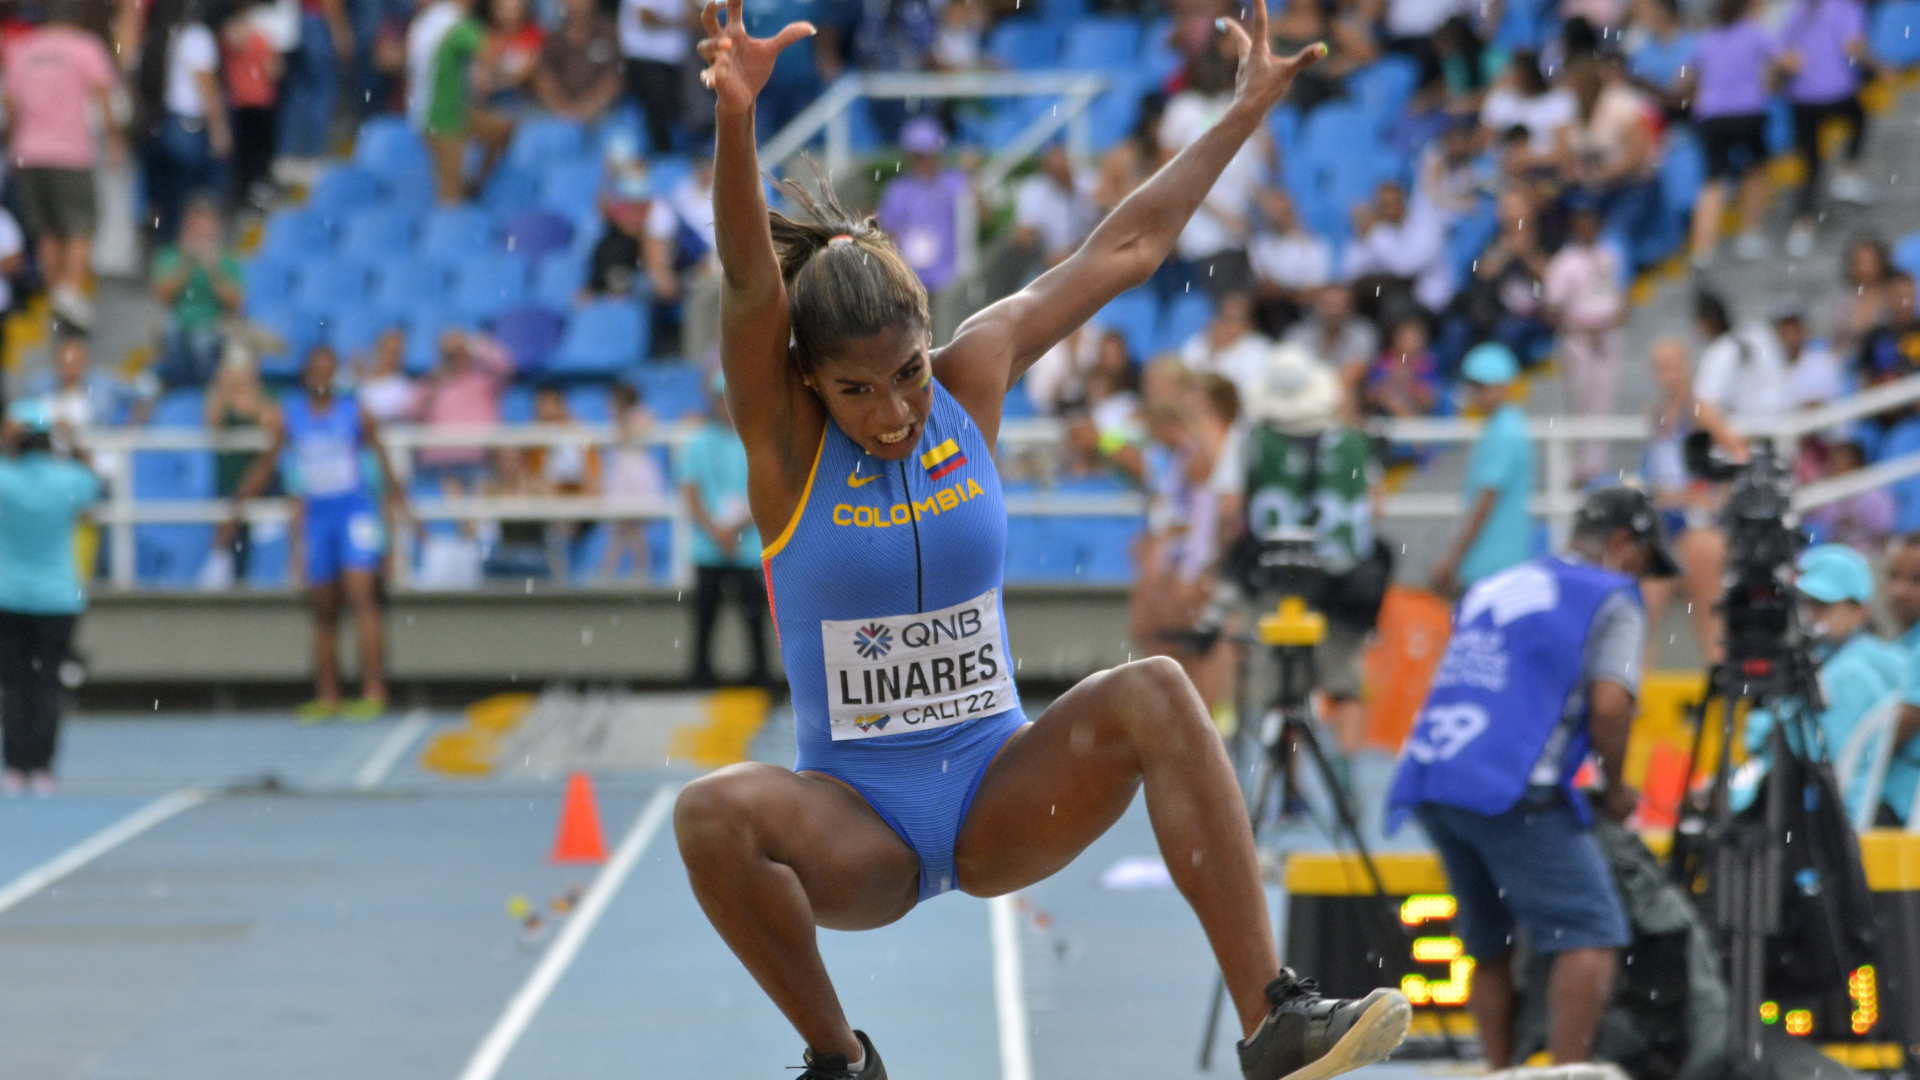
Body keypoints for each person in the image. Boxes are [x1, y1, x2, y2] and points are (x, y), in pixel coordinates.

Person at [685, 3, 1409, 1076]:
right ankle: (840, 1062)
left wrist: (1242, 111)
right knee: (709, 817)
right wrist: (737, 122)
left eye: (909, 374)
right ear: (807, 382)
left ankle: (1275, 1022)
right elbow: (751, 285)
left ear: (934, 341)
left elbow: (1127, 243)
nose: (894, 413)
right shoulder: (785, 443)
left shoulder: (972, 382)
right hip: (858, 825)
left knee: (1160, 689)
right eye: (857, 391)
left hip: (998, 793)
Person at [1388, 484, 1677, 1069]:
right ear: (1624, 545)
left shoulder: (1497, 583)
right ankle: (1566, 1070)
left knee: (1488, 936)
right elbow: (1611, 706)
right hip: (1510, 782)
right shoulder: (1611, 595)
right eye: (1643, 564)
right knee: (1590, 928)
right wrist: (1616, 787)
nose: (1643, 579)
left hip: (1434, 772)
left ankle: (1499, 1068)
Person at [231, 345, 405, 720]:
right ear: (307, 377)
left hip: (353, 514)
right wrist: (238, 507)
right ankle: (328, 694)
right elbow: (268, 463)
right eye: (316, 371)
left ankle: (374, 689)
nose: (322, 379)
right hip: (317, 519)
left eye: (329, 371)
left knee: (363, 599)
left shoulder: (356, 415)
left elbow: (383, 464)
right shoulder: (292, 417)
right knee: (323, 609)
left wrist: (397, 514)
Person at [1737, 545, 1905, 821]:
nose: (1812, 615)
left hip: (1838, 819)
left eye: (1824, 604)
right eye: (1805, 603)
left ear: (1859, 610)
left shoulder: (1851, 672)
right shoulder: (1831, 658)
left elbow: (1816, 762)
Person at [0, 401, 100, 797]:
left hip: (8, 597)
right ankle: (41, 767)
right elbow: (95, 483)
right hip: (58, 599)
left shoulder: (4, 479)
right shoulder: (69, 480)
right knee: (47, 685)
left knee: (13, 685)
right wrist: (73, 439)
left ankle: (13, 766)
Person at [3, 0, 122, 330]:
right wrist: (115, 140)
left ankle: (57, 293)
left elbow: (10, 105)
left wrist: (14, 145)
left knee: (46, 229)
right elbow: (104, 96)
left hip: (28, 152)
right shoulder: (85, 47)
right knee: (80, 225)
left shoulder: (22, 49)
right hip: (69, 152)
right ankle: (70, 294)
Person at [1638, 338, 1739, 665]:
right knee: (1640, 618)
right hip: (1664, 521)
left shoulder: (1698, 410)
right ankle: (1640, 705)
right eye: (1662, 368)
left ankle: (1723, 699)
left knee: (1709, 622)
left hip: (1695, 524)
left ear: (1687, 367)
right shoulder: (1657, 413)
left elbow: (1739, 454)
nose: (1670, 374)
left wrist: (1713, 496)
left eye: (1674, 366)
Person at [678, 371, 770, 688]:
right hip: (712, 544)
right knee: (705, 617)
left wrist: (732, 528)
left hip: (746, 545)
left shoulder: (756, 439)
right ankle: (700, 675)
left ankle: (761, 676)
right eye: (721, 400)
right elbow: (690, 492)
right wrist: (718, 530)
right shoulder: (698, 441)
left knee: (755, 617)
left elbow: (767, 491)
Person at [1431, 343, 1535, 595]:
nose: (1477, 393)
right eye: (1475, 385)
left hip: (1490, 566)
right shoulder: (1506, 426)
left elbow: (1485, 501)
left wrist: (1452, 560)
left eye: (1484, 386)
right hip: (1501, 562)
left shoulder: (1504, 432)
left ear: (1505, 386)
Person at [1686, 0, 1781, 264]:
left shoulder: (1706, 38)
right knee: (1755, 169)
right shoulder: (1754, 32)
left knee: (1714, 179)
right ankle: (1750, 233)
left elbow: (1688, 76)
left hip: (1712, 114)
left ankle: (1703, 247)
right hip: (1747, 111)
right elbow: (1782, 61)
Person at [1779, 0, 1874, 257]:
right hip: (1835, 90)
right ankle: (1847, 173)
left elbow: (1785, 54)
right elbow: (1852, 46)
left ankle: (1803, 226)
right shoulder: (1845, 7)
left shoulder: (1797, 10)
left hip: (1803, 97)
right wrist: (1877, 66)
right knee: (1860, 115)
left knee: (1811, 162)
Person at [132, 0, 231, 243]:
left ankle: (166, 247)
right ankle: (188, 247)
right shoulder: (196, 36)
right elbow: (205, 86)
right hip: (188, 125)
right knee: (194, 197)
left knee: (168, 197)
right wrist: (220, 129)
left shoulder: (157, 36)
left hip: (161, 125)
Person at [1544, 201, 1626, 482]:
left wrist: (1609, 324)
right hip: (1578, 339)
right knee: (1580, 404)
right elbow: (1552, 308)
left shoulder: (1609, 255)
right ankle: (1578, 469)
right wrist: (1582, 329)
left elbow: (1620, 296)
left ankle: (1597, 469)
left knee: (1602, 405)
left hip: (1607, 336)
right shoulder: (1564, 262)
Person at [150, 197, 243, 388]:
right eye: (195, 225)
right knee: (170, 334)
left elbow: (235, 302)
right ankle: (181, 389)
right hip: (179, 319)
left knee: (200, 342)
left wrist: (212, 268)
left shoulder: (226, 259)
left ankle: (205, 389)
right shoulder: (170, 255)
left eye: (204, 225)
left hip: (214, 321)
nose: (200, 231)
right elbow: (163, 297)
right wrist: (186, 263)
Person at [202, 351, 277, 586]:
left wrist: (250, 397)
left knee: (251, 532)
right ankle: (234, 583)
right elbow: (212, 423)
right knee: (234, 541)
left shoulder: (265, 399)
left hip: (258, 482)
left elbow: (273, 424)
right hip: (229, 480)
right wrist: (224, 386)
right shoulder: (221, 402)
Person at [873, 117, 970, 295]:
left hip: (949, 276)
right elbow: (887, 231)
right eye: (918, 156)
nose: (924, 161)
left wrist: (971, 173)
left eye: (928, 154)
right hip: (909, 278)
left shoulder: (955, 182)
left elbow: (980, 214)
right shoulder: (897, 189)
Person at [1341, 179, 1454, 316]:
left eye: (1393, 204)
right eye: (1382, 205)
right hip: (1381, 304)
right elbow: (1349, 274)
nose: (1388, 210)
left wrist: (1374, 233)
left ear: (1404, 204)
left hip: (1427, 305)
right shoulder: (1375, 231)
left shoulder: (1427, 228)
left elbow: (1404, 268)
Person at [598, 381, 667, 580]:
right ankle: (612, 572)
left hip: (636, 475)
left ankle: (637, 572)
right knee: (621, 529)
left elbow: (633, 433)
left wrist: (621, 421)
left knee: (632, 528)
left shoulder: (641, 415)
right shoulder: (615, 420)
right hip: (621, 474)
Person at [1691, 291, 1792, 425]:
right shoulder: (1759, 333)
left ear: (1706, 322)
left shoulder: (1718, 352)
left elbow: (1703, 407)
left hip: (1754, 432)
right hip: (1788, 419)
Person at [221, 0, 284, 210]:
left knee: (246, 155)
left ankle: (247, 192)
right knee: (258, 153)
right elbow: (273, 71)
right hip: (258, 102)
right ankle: (255, 192)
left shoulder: (231, 37)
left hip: (242, 102)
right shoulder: (259, 39)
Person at [1875, 534, 1920, 825]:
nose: (1900, 591)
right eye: (1894, 577)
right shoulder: (1902, 645)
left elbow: (1900, 725)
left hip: (1901, 812)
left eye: (1917, 580)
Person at [532, 0, 626, 123]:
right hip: (558, 114)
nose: (576, 3)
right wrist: (564, 110)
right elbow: (544, 78)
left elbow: (615, 79)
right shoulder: (553, 36)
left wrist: (584, 108)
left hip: (605, 114)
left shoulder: (610, 32)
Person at [621, 0, 694, 153]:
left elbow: (697, 15)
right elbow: (646, 18)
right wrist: (686, 22)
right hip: (644, 60)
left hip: (678, 62)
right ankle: (661, 151)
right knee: (657, 108)